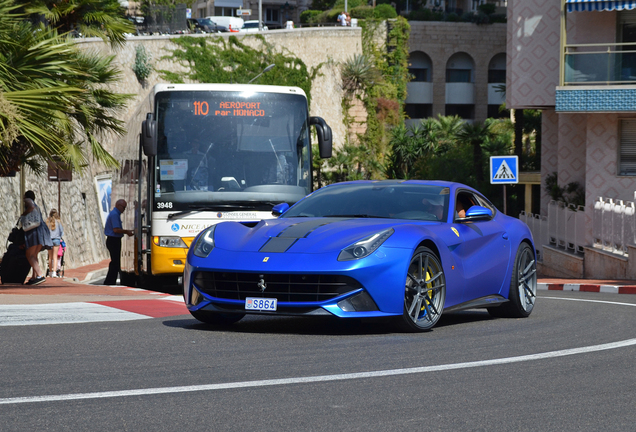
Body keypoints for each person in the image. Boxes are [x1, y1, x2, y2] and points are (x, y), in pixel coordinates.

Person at [20, 196, 53, 285]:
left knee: (30, 255)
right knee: (34, 255)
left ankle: (40, 275)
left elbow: (31, 207)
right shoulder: (38, 207)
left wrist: (23, 214)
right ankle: (34, 277)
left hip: (34, 232)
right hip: (40, 231)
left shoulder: (29, 201)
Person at [103, 199, 134, 285]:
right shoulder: (115, 215)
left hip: (113, 239)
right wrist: (127, 231)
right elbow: (116, 229)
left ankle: (111, 280)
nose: (124, 210)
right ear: (118, 206)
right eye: (123, 207)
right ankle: (109, 281)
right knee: (115, 262)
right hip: (113, 240)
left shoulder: (115, 214)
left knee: (115, 261)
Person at [46, 209, 64, 278]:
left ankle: (50, 272)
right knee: (55, 256)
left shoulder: (47, 222)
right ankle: (54, 272)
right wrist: (59, 236)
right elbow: (62, 232)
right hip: (56, 240)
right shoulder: (59, 222)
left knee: (50, 257)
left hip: (49, 240)